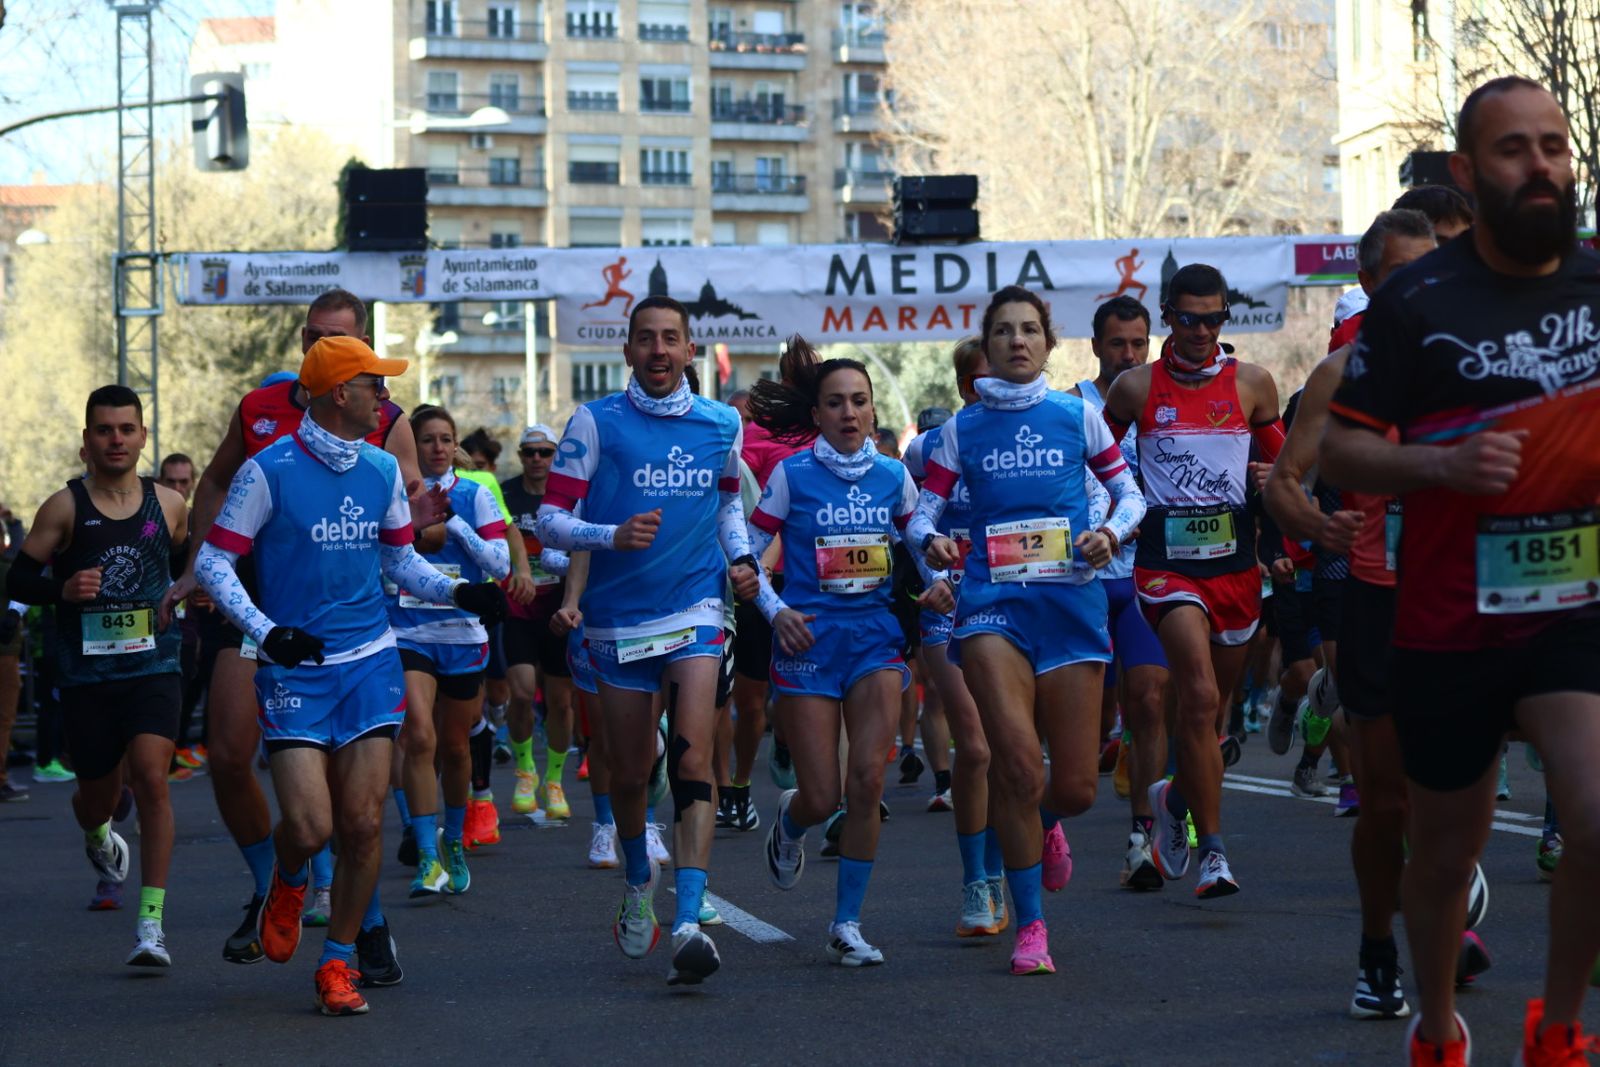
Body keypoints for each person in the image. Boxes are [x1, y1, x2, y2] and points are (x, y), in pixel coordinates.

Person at [1321, 77, 1600, 1064]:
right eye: (1515, 149)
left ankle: (1559, 1025)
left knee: (1596, 809)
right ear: (1465, 172)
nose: (1541, 167)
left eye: (1554, 147)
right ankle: (1437, 1024)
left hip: (1574, 606)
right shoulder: (1416, 302)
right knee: (1441, 855)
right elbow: (1340, 455)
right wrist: (1437, 464)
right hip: (1448, 617)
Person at [195, 335, 506, 1016]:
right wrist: (266, 629)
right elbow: (216, 564)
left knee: (363, 824)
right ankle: (289, 875)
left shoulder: (380, 470)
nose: (384, 398)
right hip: (295, 670)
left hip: (369, 663)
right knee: (309, 826)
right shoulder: (267, 471)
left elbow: (399, 563)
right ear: (342, 392)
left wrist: (459, 593)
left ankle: (336, 965)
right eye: (375, 384)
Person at [162, 288, 438, 979]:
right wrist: (202, 567)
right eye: (311, 335)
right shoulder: (261, 412)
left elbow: (402, 530)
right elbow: (218, 484)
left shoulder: (385, 428)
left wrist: (456, 570)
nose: (317, 344)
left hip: (355, 630)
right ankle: (274, 883)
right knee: (230, 755)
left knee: (361, 816)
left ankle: (359, 931)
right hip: (261, 607)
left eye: (333, 335)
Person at [909, 286, 1145, 975]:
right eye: (1004, 331)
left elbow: (1130, 494)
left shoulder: (1080, 417)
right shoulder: (962, 428)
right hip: (990, 605)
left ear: (1048, 342)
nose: (1017, 340)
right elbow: (922, 514)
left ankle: (1043, 828)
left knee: (1071, 786)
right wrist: (934, 545)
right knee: (1014, 763)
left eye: (1030, 330)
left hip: (1070, 603)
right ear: (987, 345)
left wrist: (1108, 532)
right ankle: (1030, 926)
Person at [536, 294, 760, 986]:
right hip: (615, 621)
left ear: (690, 350)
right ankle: (640, 878)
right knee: (630, 771)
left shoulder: (722, 422)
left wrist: (743, 559)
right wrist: (611, 535)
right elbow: (549, 519)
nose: (658, 350)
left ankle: (688, 918)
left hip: (694, 608)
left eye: (671, 339)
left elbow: (726, 505)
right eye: (645, 339)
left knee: (694, 754)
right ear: (627, 350)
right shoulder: (595, 422)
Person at [1267, 207, 1448, 1020]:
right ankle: (1380, 946)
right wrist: (1315, 524)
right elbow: (1283, 482)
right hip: (1379, 597)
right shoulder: (1341, 374)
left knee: (1453, 790)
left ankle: (1445, 932)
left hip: (1468, 600)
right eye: (1405, 272)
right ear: (1373, 283)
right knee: (1386, 801)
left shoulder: (1482, 360)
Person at [747, 340, 950, 965]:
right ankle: (791, 821)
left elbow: (918, 538)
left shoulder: (894, 475)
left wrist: (936, 578)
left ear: (871, 409)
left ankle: (847, 923)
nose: (849, 413)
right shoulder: (791, 475)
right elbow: (748, 556)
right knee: (821, 793)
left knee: (865, 782)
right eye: (835, 403)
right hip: (809, 643)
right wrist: (777, 613)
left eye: (859, 401)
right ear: (817, 415)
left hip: (875, 642)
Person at [1102, 263, 1284, 899]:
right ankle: (1214, 853)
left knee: (1211, 716)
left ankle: (1172, 794)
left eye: (1213, 319)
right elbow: (1097, 466)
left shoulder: (1255, 384)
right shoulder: (1133, 388)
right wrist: (1108, 523)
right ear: (1169, 316)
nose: (1202, 330)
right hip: (1166, 565)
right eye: (1188, 318)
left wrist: (1277, 484)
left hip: (1235, 568)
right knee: (1199, 697)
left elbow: (1285, 465)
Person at [6, 385, 189, 965]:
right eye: (105, 430)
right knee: (97, 800)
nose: (117, 439)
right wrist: (60, 589)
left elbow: (183, 563)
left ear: (142, 435)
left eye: (127, 429)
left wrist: (187, 593)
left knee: (153, 779)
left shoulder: (170, 505)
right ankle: (96, 835)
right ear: (87, 441)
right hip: (88, 677)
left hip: (154, 665)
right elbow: (18, 581)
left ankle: (151, 925)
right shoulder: (64, 507)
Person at [899, 349, 1007, 936]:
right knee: (978, 747)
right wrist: (934, 578)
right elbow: (912, 523)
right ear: (970, 383)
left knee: (1011, 750)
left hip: (1013, 604)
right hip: (948, 605)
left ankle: (1000, 863)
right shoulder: (931, 446)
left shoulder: (1041, 433)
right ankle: (976, 881)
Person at [1070, 296, 1171, 891]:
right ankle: (1049, 819)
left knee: (1152, 697)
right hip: (1081, 579)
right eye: (1117, 344)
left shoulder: (1164, 402)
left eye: (1139, 344)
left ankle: (1144, 839)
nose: (1130, 355)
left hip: (1145, 574)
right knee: (1084, 729)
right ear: (1096, 347)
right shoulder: (1070, 409)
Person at [390, 407, 511, 898]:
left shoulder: (475, 494)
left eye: (445, 440)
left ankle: (454, 840)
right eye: (426, 440)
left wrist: (456, 525)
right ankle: (425, 857)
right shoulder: (395, 494)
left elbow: (499, 563)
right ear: (412, 446)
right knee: (418, 738)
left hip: (463, 632)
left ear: (455, 445)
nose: (437, 448)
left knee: (456, 746)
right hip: (406, 630)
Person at [499, 425, 577, 821]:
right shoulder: (505, 492)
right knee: (524, 693)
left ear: (555, 456)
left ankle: (555, 779)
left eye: (545, 453)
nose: (537, 460)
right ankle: (526, 769)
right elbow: (493, 540)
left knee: (562, 702)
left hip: (559, 611)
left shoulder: (567, 495)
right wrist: (512, 570)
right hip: (518, 609)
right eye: (529, 452)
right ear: (521, 455)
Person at [0, 501, 28, 803]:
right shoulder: (6, 571)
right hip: (5, 653)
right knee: (3, 718)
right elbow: (24, 561)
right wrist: (13, 522)